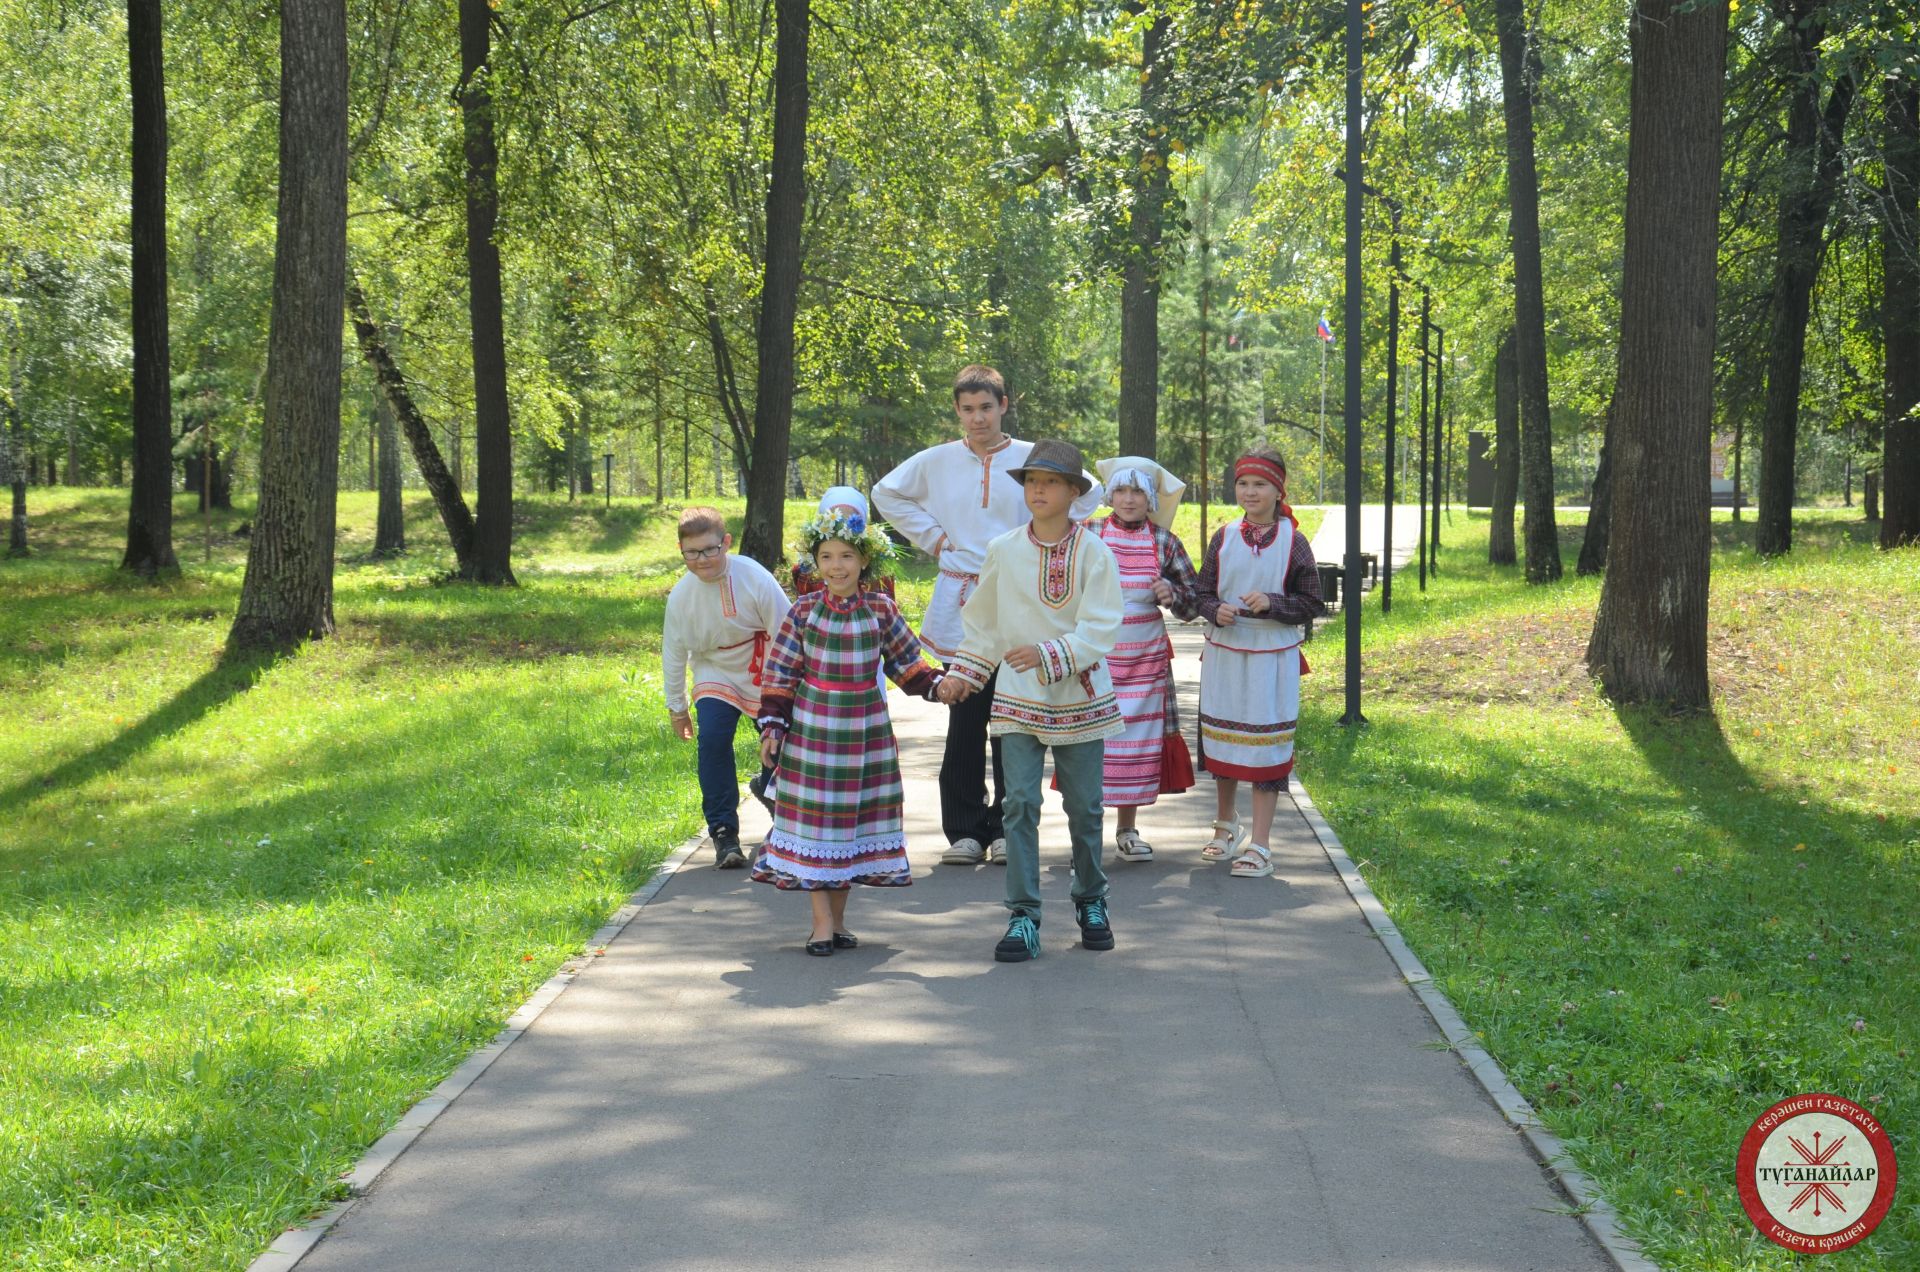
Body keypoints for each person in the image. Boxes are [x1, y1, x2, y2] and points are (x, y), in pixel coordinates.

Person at [873, 365, 1101, 867]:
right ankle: (963, 829)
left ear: (1004, 406)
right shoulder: (936, 461)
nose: (977, 418)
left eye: (986, 407)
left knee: (1012, 715)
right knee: (965, 713)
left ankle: (1003, 826)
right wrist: (934, 538)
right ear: (957, 410)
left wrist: (1046, 540)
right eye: (967, 409)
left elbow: (1091, 493)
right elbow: (885, 492)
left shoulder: (1027, 459)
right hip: (963, 596)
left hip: (1021, 595)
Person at [939, 439, 1124, 963]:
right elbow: (984, 625)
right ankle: (1023, 915)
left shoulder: (1095, 553)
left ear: (1073, 492)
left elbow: (1101, 628)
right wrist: (963, 677)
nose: (1038, 489)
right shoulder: (1003, 550)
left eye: (1050, 481)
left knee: (1085, 808)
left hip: (1079, 696)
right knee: (1019, 804)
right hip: (1017, 698)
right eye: (1031, 481)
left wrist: (1047, 652)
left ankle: (1091, 900)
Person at [752, 510, 943, 955]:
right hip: (813, 734)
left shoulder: (881, 609)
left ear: (864, 561)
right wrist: (772, 728)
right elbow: (779, 676)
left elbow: (909, 666)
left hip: (866, 735)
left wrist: (942, 686)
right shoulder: (802, 610)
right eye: (826, 557)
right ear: (815, 562)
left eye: (846, 556)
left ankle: (837, 922)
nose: (836, 566)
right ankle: (820, 925)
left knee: (849, 829)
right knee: (817, 827)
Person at [1192, 445, 1326, 879]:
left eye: (1260, 484)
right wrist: (1216, 611)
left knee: (1267, 749)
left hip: (1273, 658)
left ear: (1278, 489)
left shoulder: (1294, 540)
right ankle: (1225, 824)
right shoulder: (1224, 535)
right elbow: (1202, 591)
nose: (1250, 492)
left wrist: (1272, 603)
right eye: (1243, 484)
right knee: (1224, 742)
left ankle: (1263, 844)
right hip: (1226, 653)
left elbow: (1312, 602)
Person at [661, 506, 791, 870]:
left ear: (727, 543)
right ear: (681, 550)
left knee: (780, 739)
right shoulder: (681, 596)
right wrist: (677, 707)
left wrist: (794, 688)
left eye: (710, 549)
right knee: (714, 739)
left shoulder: (754, 577)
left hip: (764, 664)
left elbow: (787, 631)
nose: (702, 560)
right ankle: (723, 831)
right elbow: (673, 652)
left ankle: (772, 793)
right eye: (692, 552)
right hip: (713, 669)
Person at [1086, 456, 1201, 862]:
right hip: (1094, 660)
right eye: (1121, 490)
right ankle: (1085, 840)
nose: (1129, 499)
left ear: (1150, 497)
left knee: (1134, 745)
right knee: (1091, 745)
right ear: (1109, 495)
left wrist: (1172, 592)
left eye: (1137, 491)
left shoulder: (1165, 541)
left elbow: (1193, 602)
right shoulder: (1088, 534)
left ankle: (1127, 830)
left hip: (1146, 664)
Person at [789, 486, 896, 602]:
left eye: (850, 520)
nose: (842, 529)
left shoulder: (880, 577)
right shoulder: (807, 574)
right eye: (835, 521)